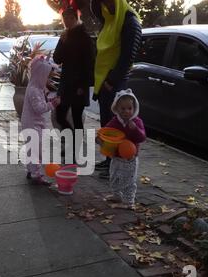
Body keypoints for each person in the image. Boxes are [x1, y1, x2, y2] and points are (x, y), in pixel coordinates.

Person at [91, 0, 142, 178]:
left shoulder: (129, 21)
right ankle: (109, 160)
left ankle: (117, 165)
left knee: (118, 127)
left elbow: (129, 56)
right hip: (105, 83)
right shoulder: (110, 20)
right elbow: (96, 9)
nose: (106, 4)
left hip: (115, 84)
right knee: (107, 124)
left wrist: (111, 80)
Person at [53, 5, 95, 163]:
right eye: (65, 19)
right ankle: (72, 144)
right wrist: (62, 41)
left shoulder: (85, 37)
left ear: (76, 18)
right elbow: (57, 59)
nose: (67, 21)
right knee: (60, 115)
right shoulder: (65, 36)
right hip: (65, 83)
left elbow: (89, 64)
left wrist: (82, 86)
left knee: (77, 118)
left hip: (79, 86)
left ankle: (75, 152)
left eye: (70, 18)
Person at [97, 89, 146, 209]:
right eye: (123, 109)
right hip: (116, 156)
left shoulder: (137, 122)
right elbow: (106, 132)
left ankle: (129, 201)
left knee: (128, 180)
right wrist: (99, 139)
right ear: (117, 109)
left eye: (129, 108)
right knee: (114, 176)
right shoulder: (115, 122)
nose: (126, 112)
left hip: (130, 158)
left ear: (134, 109)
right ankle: (117, 194)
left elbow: (142, 138)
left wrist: (135, 129)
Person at [21, 56, 61, 185]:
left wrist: (48, 101)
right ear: (41, 75)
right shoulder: (34, 90)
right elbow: (39, 108)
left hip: (35, 122)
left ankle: (31, 170)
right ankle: (35, 173)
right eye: (47, 76)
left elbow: (39, 104)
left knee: (34, 148)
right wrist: (52, 105)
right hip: (32, 123)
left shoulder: (36, 88)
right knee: (35, 149)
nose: (48, 79)